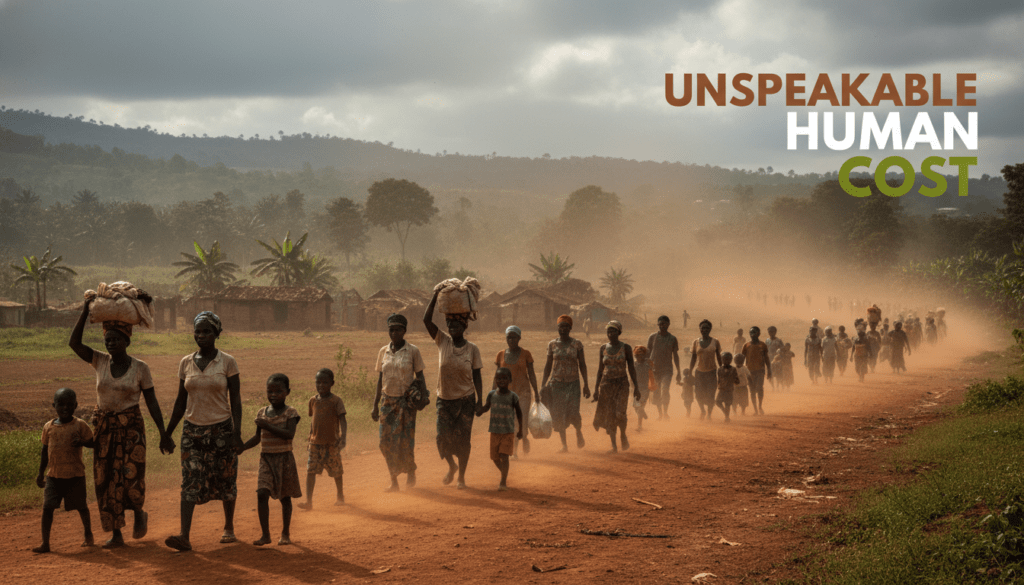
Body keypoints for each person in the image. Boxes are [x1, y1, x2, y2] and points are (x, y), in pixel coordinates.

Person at [69, 299, 171, 548]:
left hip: (131, 429)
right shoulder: (100, 361)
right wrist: (84, 311)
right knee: (106, 481)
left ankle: (138, 513)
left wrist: (163, 433)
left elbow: (153, 403)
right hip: (104, 428)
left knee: (131, 476)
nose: (111, 343)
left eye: (116, 339)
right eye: (108, 340)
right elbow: (74, 344)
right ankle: (116, 534)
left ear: (127, 341)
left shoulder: (140, 368)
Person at [164, 311, 243, 552]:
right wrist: (167, 433)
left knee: (225, 477)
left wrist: (237, 433)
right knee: (189, 479)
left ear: (217, 333)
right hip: (192, 431)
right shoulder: (185, 362)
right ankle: (184, 536)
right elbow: (180, 402)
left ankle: (229, 527)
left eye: (207, 331)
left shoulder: (227, 362)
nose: (201, 335)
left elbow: (236, 400)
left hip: (222, 429)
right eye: (198, 331)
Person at [424, 290, 483, 488]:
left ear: (464, 326)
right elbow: (426, 320)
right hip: (444, 399)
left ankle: (461, 477)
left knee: (463, 441)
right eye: (450, 325)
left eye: (456, 325)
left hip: (466, 400)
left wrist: (480, 401)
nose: (452, 328)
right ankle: (452, 466)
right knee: (442, 438)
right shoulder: (442, 341)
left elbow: (477, 376)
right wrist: (435, 295)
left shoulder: (472, 349)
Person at [33, 388, 95, 553]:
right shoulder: (48, 427)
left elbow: (93, 442)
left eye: (69, 404)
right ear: (54, 405)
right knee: (47, 508)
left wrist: (82, 441)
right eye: (61, 404)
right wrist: (40, 473)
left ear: (76, 405)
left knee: (82, 507)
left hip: (75, 475)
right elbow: (44, 451)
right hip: (54, 476)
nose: (65, 408)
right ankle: (45, 543)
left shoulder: (80, 425)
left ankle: (88, 534)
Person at [242, 373, 301, 546]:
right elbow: (257, 438)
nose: (273, 394)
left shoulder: (291, 413)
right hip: (266, 459)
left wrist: (268, 425)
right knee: (261, 493)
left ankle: (285, 533)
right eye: (270, 391)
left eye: (278, 391)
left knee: (285, 497)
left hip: (284, 459)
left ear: (287, 392)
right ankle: (265, 535)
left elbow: (289, 435)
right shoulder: (262, 413)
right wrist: (242, 448)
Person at [372, 313, 426, 491]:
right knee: (385, 441)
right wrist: (375, 405)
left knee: (405, 441)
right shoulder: (383, 351)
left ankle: (410, 472)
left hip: (406, 402)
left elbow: (420, 376)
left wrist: (424, 397)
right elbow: (381, 379)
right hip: (387, 402)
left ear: (404, 331)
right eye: (391, 330)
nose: (393, 333)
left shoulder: (413, 351)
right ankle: (393, 479)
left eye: (397, 330)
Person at [541, 315, 590, 452]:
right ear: (557, 328)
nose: (563, 329)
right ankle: (564, 445)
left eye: (566, 326)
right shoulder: (552, 344)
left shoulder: (577, 344)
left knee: (574, 411)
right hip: (556, 384)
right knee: (558, 414)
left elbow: (583, 365)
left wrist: (586, 384)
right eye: (560, 326)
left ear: (570, 328)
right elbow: (548, 366)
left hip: (573, 384)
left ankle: (578, 431)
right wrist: (543, 385)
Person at [298, 368, 346, 509]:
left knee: (336, 471)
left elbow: (343, 420)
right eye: (318, 382)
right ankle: (309, 502)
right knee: (310, 471)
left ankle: (340, 496)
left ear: (332, 383)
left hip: (332, 443)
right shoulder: (313, 400)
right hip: (315, 443)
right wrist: (310, 437)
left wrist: (344, 437)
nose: (321, 385)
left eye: (325, 382)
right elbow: (313, 420)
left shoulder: (336, 401)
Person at [592, 321, 641, 453]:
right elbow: (600, 370)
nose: (611, 334)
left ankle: (623, 434)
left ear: (619, 332)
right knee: (610, 416)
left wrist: (636, 387)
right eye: (609, 331)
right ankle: (614, 446)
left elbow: (631, 368)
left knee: (620, 413)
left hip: (622, 384)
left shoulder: (626, 348)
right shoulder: (603, 348)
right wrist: (596, 389)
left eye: (613, 331)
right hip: (606, 385)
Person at [494, 325, 539, 457]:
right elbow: (496, 376)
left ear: (519, 338)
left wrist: (536, 392)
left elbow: (531, 374)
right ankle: (514, 451)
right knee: (511, 422)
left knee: (522, 420)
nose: (511, 340)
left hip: (523, 392)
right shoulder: (500, 355)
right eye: (509, 337)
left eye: (514, 337)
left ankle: (524, 437)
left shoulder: (526, 354)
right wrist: (492, 394)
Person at [478, 368, 523, 490]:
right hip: (494, 431)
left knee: (504, 456)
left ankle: (503, 482)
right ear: (495, 380)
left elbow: (519, 413)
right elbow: (486, 407)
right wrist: (480, 411)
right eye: (499, 378)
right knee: (494, 458)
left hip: (508, 432)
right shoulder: (492, 394)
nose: (501, 380)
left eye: (504, 378)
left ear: (510, 380)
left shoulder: (513, 396)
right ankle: (505, 474)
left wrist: (521, 430)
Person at [647, 316, 681, 420]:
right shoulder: (652, 337)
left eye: (664, 324)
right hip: (654, 369)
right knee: (656, 393)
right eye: (660, 324)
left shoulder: (673, 339)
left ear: (668, 325)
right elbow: (648, 352)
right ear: (657, 325)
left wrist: (679, 371)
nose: (662, 326)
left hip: (667, 370)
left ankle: (666, 413)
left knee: (665, 390)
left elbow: (675, 355)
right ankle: (660, 414)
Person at [689, 319, 722, 420]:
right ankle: (702, 410)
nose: (705, 330)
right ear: (700, 329)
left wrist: (722, 370)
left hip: (712, 372)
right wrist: (690, 371)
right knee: (698, 395)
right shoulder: (696, 342)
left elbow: (719, 357)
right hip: (699, 372)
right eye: (703, 328)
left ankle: (709, 413)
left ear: (710, 329)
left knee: (711, 394)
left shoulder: (715, 342)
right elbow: (693, 358)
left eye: (707, 328)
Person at [741, 326, 772, 415]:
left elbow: (766, 358)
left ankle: (760, 406)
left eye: (754, 332)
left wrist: (769, 370)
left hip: (760, 371)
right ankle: (755, 409)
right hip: (749, 372)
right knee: (752, 390)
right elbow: (742, 359)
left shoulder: (762, 345)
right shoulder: (746, 345)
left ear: (759, 333)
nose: (752, 334)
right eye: (751, 332)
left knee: (759, 388)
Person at [715, 353, 740, 423]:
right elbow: (719, 380)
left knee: (727, 404)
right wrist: (718, 386)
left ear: (731, 360)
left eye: (728, 360)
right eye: (724, 360)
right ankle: (726, 414)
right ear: (722, 360)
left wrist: (732, 378)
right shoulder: (719, 369)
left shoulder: (733, 369)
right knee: (717, 402)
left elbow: (737, 381)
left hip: (729, 389)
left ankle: (727, 417)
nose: (726, 361)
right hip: (721, 389)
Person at [632, 345, 654, 427]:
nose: (639, 357)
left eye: (641, 355)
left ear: (644, 355)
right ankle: (643, 413)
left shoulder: (648, 362)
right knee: (636, 407)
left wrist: (653, 384)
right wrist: (632, 387)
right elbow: (632, 376)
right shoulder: (634, 364)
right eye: (637, 355)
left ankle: (639, 425)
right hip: (636, 389)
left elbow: (653, 374)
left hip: (645, 389)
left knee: (640, 407)